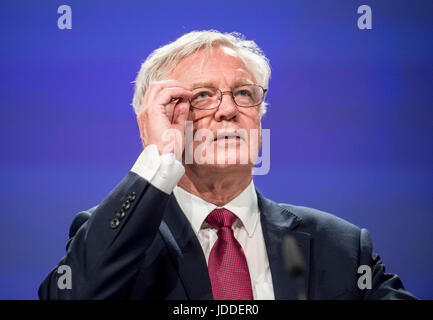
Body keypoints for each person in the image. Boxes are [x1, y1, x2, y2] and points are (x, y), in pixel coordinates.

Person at [38, 30, 416, 300]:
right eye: (202, 96)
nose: (229, 110)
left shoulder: (341, 247)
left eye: (243, 94)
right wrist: (159, 156)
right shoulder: (116, 241)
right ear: (161, 119)